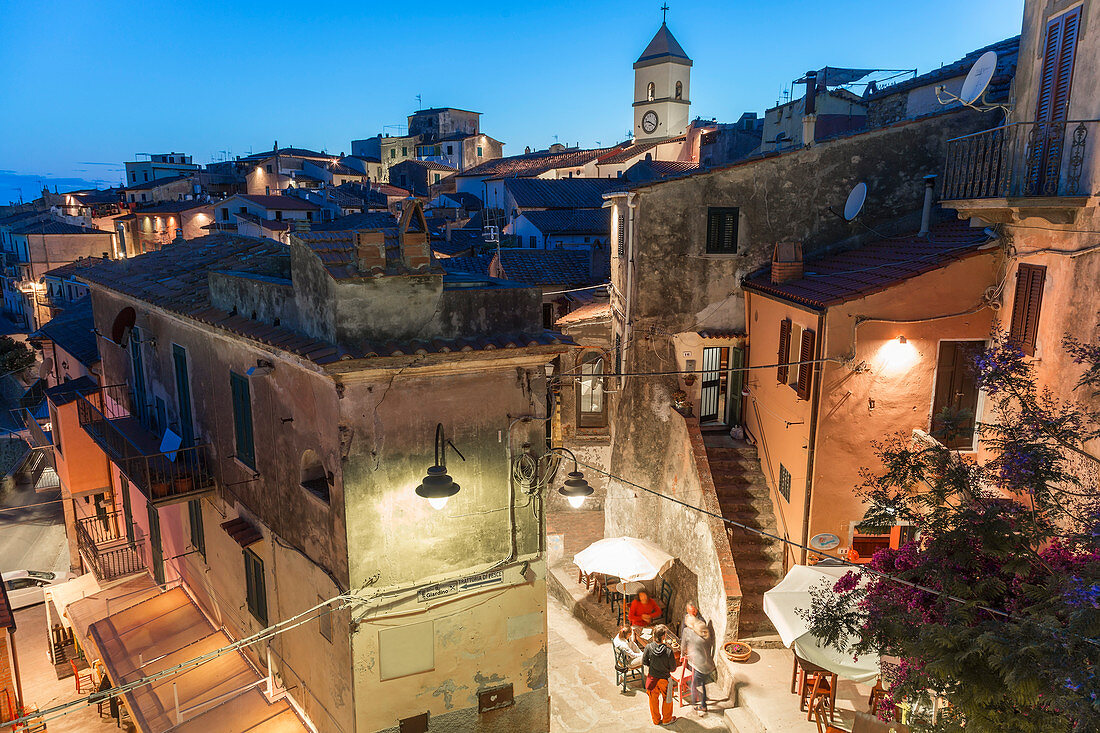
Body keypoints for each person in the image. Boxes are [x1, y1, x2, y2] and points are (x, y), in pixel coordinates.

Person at [681, 601, 717, 716]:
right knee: (702, 684)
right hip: (707, 664)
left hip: (698, 664)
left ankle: (696, 705)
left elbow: (683, 644)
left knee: (694, 684)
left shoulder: (689, 631)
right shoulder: (703, 632)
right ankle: (703, 704)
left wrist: (683, 654)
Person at [641, 625, 677, 726]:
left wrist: (653, 667)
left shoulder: (648, 647)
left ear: (654, 635)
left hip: (652, 678)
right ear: (664, 637)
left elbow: (644, 661)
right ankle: (666, 720)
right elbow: (673, 668)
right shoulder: (669, 651)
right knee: (668, 699)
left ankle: (656, 720)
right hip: (665, 679)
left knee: (653, 700)